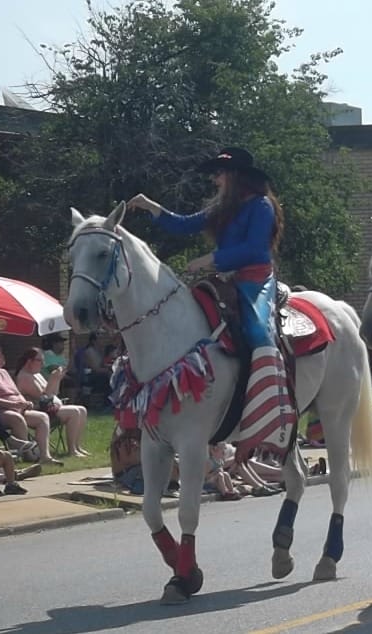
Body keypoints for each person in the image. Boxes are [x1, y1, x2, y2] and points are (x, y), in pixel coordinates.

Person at [128, 146, 297, 460]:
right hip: (225, 278)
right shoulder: (224, 207)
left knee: (258, 331)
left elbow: (255, 249)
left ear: (235, 176)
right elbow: (184, 224)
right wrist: (153, 208)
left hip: (254, 279)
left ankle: (271, 403)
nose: (215, 179)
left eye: (219, 173)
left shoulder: (262, 206)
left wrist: (212, 258)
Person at [0, 343, 62, 466]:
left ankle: (44, 455)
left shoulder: (3, 372)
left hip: (17, 407)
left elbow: (15, 392)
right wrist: (14, 404)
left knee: (42, 418)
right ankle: (28, 453)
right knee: (17, 419)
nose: (2, 356)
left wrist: (24, 403)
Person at [14, 348, 91, 457]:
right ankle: (72, 450)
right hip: (37, 410)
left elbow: (54, 393)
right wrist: (52, 379)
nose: (43, 364)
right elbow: (44, 397)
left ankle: (77, 446)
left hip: (48, 407)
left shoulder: (37, 374)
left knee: (82, 409)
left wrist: (57, 379)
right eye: (39, 360)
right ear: (29, 361)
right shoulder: (24, 377)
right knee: (74, 412)